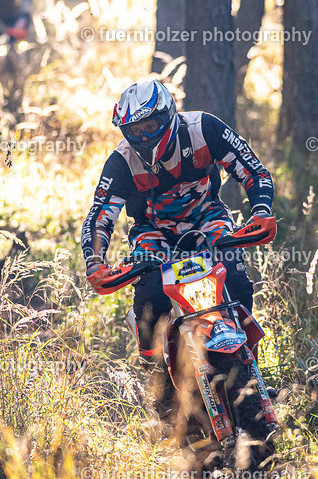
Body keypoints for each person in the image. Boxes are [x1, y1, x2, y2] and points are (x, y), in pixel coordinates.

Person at [80, 79, 277, 421]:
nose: (142, 136)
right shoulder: (121, 161)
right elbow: (99, 216)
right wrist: (95, 261)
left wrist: (260, 211)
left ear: (168, 115)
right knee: (150, 299)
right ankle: (160, 383)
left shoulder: (203, 128)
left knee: (237, 281)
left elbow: (254, 171)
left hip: (208, 218)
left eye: (150, 126)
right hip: (152, 233)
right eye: (133, 130)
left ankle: (250, 371)